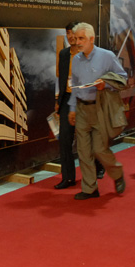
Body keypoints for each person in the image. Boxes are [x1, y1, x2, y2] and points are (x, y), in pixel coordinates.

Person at [67, 22, 128, 199]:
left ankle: (117, 173)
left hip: (100, 109)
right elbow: (75, 85)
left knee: (100, 150)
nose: (77, 42)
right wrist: (72, 108)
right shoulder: (76, 60)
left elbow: (122, 78)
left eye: (81, 38)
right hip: (81, 109)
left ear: (91, 39)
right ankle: (90, 188)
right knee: (83, 151)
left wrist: (105, 84)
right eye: (76, 38)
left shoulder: (107, 56)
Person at [54, 21, 103, 190]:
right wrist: (58, 100)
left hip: (86, 100)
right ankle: (68, 178)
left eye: (73, 33)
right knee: (65, 140)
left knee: (90, 140)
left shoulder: (89, 54)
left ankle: (98, 165)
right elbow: (60, 78)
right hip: (68, 99)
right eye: (68, 33)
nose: (71, 37)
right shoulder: (64, 54)